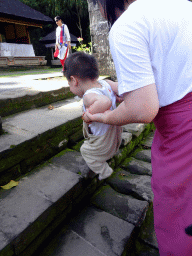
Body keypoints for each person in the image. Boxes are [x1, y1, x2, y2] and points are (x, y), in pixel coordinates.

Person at [84, 0, 192, 255]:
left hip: (183, 134)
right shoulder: (181, 5)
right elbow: (168, 77)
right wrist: (123, 89)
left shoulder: (126, 26)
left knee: (180, 219)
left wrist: (103, 117)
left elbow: (143, 108)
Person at [64, 51, 122, 180]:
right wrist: (118, 97)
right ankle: (106, 155)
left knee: (85, 151)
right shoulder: (106, 83)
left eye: (69, 85)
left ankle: (104, 171)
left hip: (103, 141)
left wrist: (88, 115)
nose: (70, 89)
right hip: (115, 135)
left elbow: (104, 101)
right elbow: (121, 87)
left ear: (74, 80)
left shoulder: (88, 96)